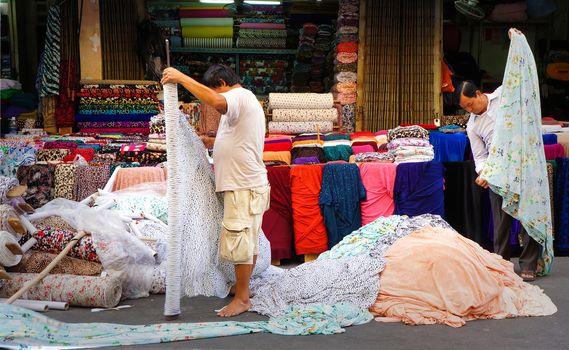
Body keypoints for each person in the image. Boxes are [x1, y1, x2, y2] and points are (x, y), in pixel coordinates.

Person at [161, 64, 270, 317]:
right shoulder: (245, 101)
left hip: (243, 184)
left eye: (213, 90)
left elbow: (218, 102)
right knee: (246, 241)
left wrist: (181, 78)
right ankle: (242, 289)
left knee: (241, 241)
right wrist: (211, 142)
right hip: (246, 184)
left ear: (221, 83)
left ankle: (242, 298)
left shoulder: (239, 96)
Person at [456, 39, 542, 282]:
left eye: (471, 104)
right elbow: (480, 156)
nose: (470, 110)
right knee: (501, 218)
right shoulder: (472, 126)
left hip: (522, 164)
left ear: (479, 94)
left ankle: (529, 263)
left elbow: (521, 76)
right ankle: (502, 263)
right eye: (466, 108)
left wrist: (518, 43)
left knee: (528, 214)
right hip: (498, 171)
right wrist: (483, 173)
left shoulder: (505, 95)